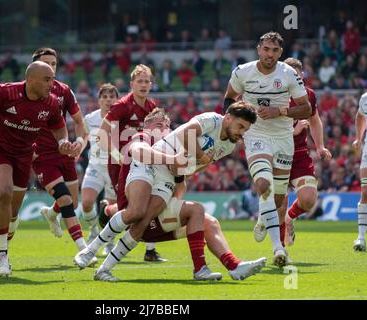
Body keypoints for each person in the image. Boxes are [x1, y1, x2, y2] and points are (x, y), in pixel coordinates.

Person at [75, 102, 258, 280]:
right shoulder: (212, 120)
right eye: (240, 126)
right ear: (227, 118)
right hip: (153, 164)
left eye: (245, 130)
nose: (241, 133)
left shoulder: (228, 146)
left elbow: (199, 166)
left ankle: (103, 270)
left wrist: (184, 172)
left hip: (169, 177)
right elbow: (187, 134)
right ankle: (89, 250)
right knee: (136, 211)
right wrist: (198, 157)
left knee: (144, 219)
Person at [0, 61, 77, 276]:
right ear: (31, 80)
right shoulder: (5, 93)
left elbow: (59, 128)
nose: (52, 84)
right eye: (47, 79)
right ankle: (2, 254)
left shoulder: (50, 103)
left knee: (13, 213)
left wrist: (62, 143)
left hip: (23, 154)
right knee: (4, 192)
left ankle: (3, 244)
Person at [223, 31, 312, 267]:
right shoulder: (242, 71)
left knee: (280, 198)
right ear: (258, 48)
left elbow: (306, 109)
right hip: (256, 134)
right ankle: (278, 249)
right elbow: (229, 99)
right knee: (263, 185)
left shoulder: (289, 74)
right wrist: (238, 120)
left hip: (283, 136)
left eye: (274, 50)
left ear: (280, 53)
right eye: (266, 49)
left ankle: (264, 217)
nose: (269, 54)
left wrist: (279, 111)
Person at [97, 64, 165, 262]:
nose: (144, 85)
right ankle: (108, 212)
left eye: (147, 81)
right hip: (121, 165)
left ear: (151, 84)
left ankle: (150, 251)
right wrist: (117, 155)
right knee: (130, 210)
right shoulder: (122, 106)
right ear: (131, 84)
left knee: (152, 202)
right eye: (140, 81)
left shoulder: (153, 108)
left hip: (146, 164)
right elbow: (101, 135)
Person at [30, 48, 90, 257]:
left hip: (64, 152)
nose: (51, 68)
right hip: (41, 156)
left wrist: (79, 142)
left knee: (72, 202)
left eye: (54, 64)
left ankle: (51, 213)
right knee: (65, 199)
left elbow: (80, 122)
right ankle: (83, 250)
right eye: (46, 63)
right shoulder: (25, 92)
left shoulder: (64, 90)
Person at [278, 57, 332, 247]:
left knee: (308, 200)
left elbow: (315, 120)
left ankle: (289, 218)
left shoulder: (308, 95)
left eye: (298, 76)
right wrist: (293, 131)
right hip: (277, 156)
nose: (296, 79)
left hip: (300, 154)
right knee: (279, 202)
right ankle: (280, 250)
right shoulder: (273, 94)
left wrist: (320, 146)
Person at [81, 83, 119, 255]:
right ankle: (94, 231)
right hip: (95, 165)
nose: (108, 100)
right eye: (105, 97)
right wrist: (78, 148)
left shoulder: (121, 119)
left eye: (112, 96)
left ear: (117, 100)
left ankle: (110, 241)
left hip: (114, 168)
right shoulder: (90, 119)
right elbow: (82, 136)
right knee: (87, 202)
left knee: (110, 209)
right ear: (99, 100)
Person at [352, 90, 367, 252]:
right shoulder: (365, 98)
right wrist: (359, 137)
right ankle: (361, 237)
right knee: (365, 192)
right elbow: (360, 116)